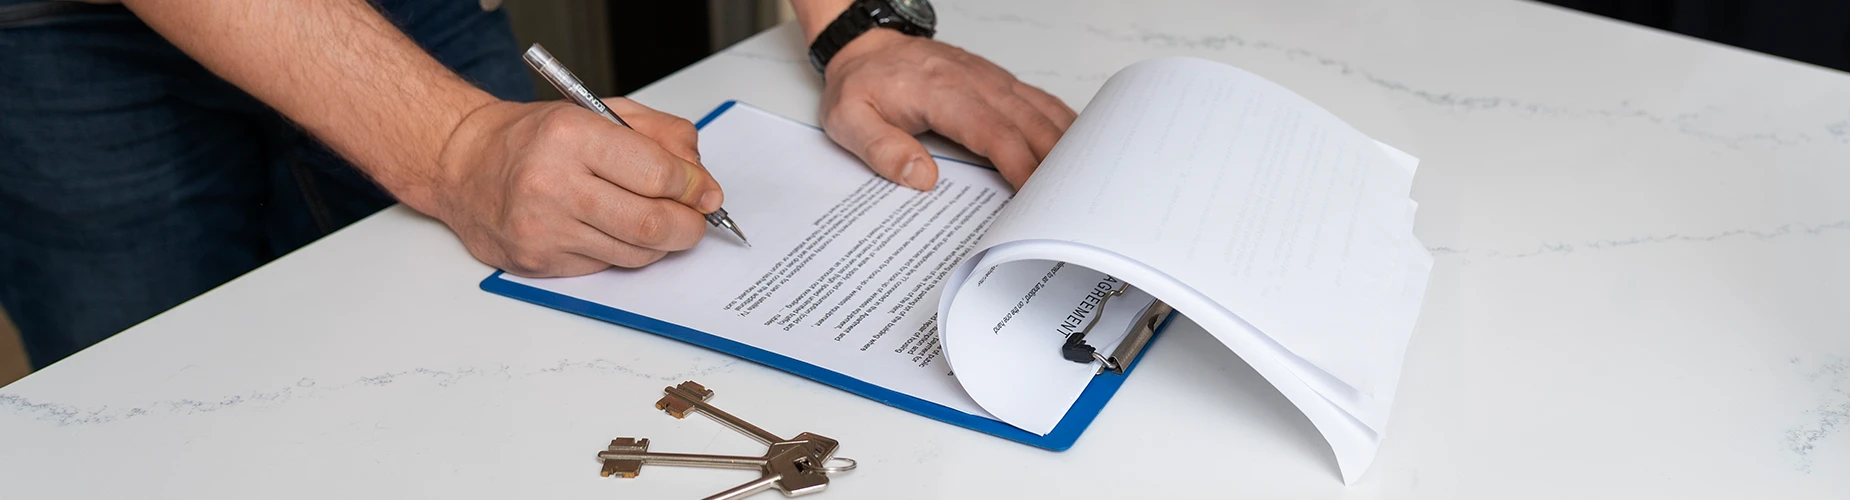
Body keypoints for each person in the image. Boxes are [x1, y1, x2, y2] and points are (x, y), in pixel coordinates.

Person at [0, 0, 1076, 368]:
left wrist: (852, 26)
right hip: (64, 36)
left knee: (481, 350)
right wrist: (455, 145)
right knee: (144, 387)